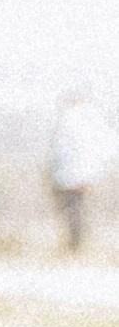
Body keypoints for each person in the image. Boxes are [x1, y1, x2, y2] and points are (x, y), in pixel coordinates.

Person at [48, 96, 117, 251]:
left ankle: (75, 244)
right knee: (76, 211)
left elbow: (61, 154)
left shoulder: (66, 126)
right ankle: (76, 243)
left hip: (70, 179)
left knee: (73, 211)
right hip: (78, 177)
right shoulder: (82, 125)